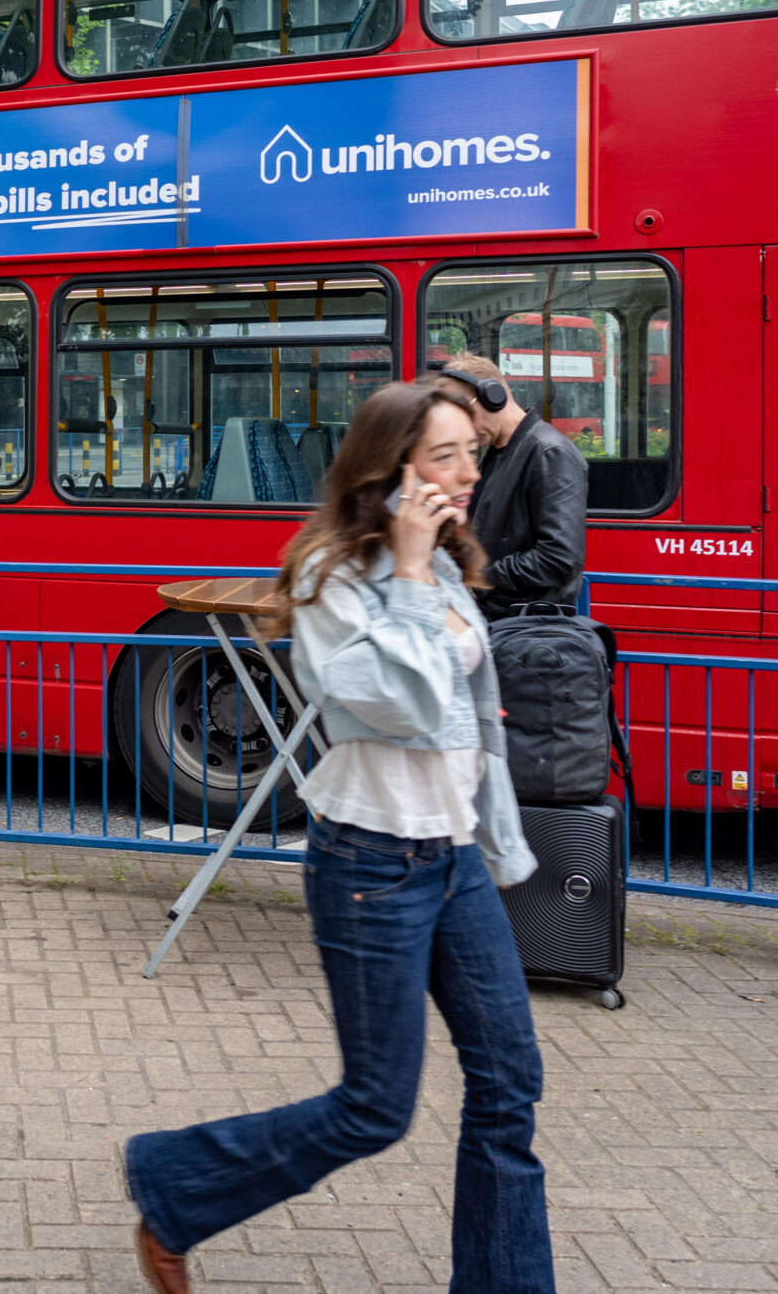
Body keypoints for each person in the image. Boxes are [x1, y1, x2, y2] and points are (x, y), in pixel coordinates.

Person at [123, 378, 546, 1294]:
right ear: (391, 469)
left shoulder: (438, 564)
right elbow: (401, 704)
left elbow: (475, 720)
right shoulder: (328, 581)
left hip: (450, 857)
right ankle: (174, 1182)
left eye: (472, 450)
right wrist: (404, 570)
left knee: (511, 1084)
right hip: (372, 863)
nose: (470, 471)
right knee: (375, 1109)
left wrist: (497, 844)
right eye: (446, 455)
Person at [438, 354, 588, 619]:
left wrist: (480, 578)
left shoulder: (548, 452)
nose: (462, 429)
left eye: (464, 415)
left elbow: (559, 558)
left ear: (491, 397)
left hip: (526, 628)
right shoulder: (496, 453)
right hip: (497, 617)